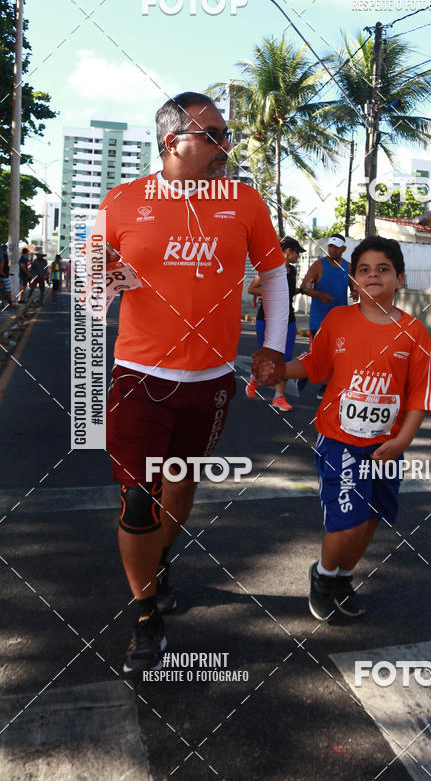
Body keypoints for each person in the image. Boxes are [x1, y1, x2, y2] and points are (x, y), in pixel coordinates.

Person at [97, 91, 289, 675]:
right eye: (214, 135)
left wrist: (273, 349)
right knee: (137, 494)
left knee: (178, 487)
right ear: (172, 141)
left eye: (225, 135)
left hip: (209, 383)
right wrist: (102, 279)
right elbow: (87, 286)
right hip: (137, 377)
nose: (225, 145)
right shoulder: (122, 202)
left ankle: (161, 560)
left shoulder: (245, 202)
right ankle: (146, 613)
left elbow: (275, 274)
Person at [259, 236, 431, 620]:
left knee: (371, 517)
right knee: (348, 520)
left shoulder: (415, 333)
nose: (373, 275)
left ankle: (342, 576)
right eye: (364, 270)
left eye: (383, 269)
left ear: (400, 278)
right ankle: (324, 576)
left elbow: (419, 397)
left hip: (387, 448)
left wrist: (402, 441)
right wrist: (279, 370)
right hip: (340, 441)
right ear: (354, 281)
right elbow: (314, 365)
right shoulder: (340, 320)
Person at [245, 236, 305, 411]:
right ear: (288, 251)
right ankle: (254, 379)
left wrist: (302, 290)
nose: (298, 257)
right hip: (267, 319)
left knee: (285, 358)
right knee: (267, 358)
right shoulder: (269, 269)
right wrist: (274, 289)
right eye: (297, 253)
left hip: (289, 320)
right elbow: (252, 289)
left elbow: (289, 292)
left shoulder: (292, 271)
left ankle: (278, 397)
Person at [299, 233, 355, 398]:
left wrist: (355, 292)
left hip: (340, 320)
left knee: (337, 354)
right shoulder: (318, 265)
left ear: (343, 249)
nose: (332, 249)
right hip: (319, 318)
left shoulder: (348, 266)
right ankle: (303, 373)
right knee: (317, 354)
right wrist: (319, 294)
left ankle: (325, 387)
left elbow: (354, 284)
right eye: (330, 246)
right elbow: (304, 287)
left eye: (336, 247)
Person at [0, 244, 13, 308]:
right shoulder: (4, 256)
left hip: (4, 274)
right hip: (4, 275)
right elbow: (2, 263)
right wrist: (1, 272)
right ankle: (11, 304)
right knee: (8, 290)